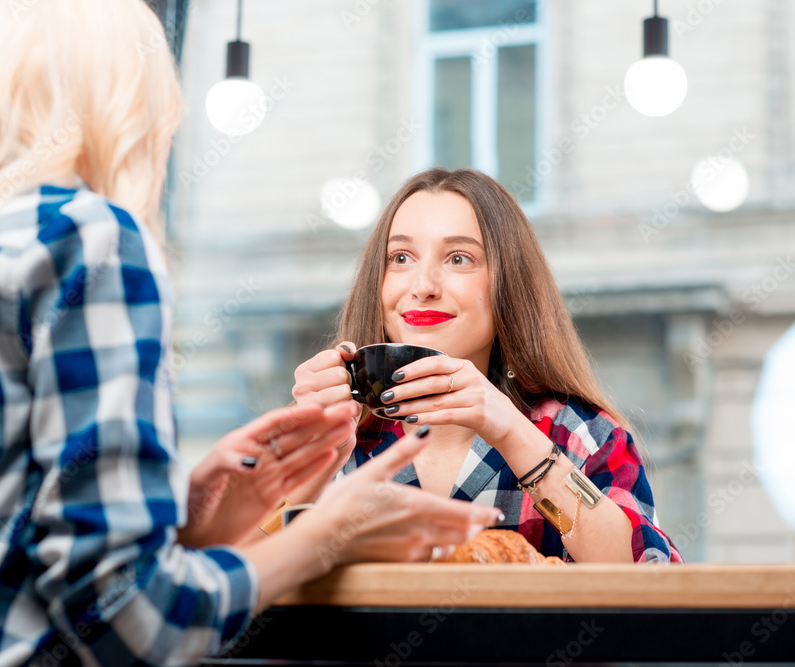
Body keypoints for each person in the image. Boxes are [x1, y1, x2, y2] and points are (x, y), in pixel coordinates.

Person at [0, 3, 503, 666]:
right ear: (120, 109)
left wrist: (186, 522)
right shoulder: (86, 239)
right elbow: (132, 625)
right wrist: (325, 535)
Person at [290, 167, 683, 564]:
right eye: (401, 257)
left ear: (508, 286)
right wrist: (314, 462)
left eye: (459, 258)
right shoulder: (336, 434)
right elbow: (239, 585)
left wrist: (514, 433)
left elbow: (644, 582)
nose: (423, 285)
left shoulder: (578, 434)